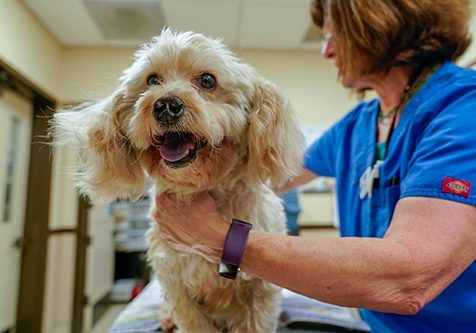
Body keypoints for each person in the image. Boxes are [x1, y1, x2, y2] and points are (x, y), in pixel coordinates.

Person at [154, 0, 476, 332]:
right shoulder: (358, 125)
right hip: (369, 324)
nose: (327, 52)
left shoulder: (465, 109)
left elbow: (410, 281)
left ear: (380, 23)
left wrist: (218, 237)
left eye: (331, 36)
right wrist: (194, 179)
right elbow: (268, 175)